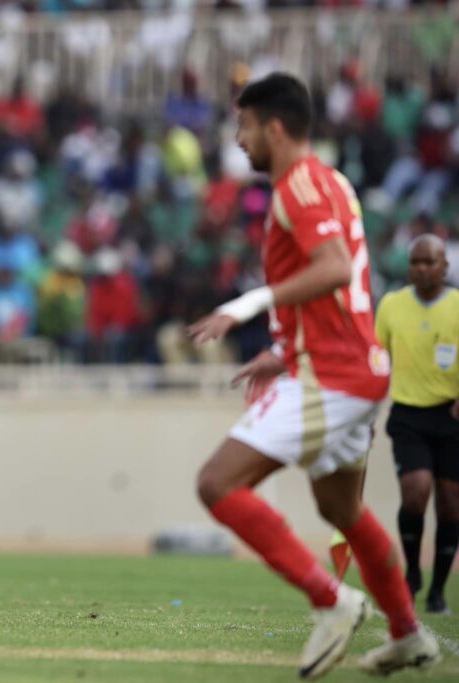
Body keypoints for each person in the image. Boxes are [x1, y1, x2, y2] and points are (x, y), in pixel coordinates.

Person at [188, 73, 439, 678]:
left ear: (274, 126)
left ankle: (333, 601)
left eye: (244, 126)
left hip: (333, 377)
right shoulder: (331, 182)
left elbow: (331, 269)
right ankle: (407, 634)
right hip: (349, 365)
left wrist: (243, 307)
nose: (239, 140)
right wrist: (286, 346)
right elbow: (347, 284)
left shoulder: (297, 186)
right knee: (340, 508)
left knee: (217, 483)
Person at [375, 234, 459, 614]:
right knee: (416, 492)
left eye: (429, 262)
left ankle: (438, 588)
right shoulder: (391, 306)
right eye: (415, 262)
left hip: (450, 416)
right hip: (408, 413)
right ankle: (412, 573)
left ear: (445, 266)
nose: (421, 268)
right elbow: (375, 360)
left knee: (450, 506)